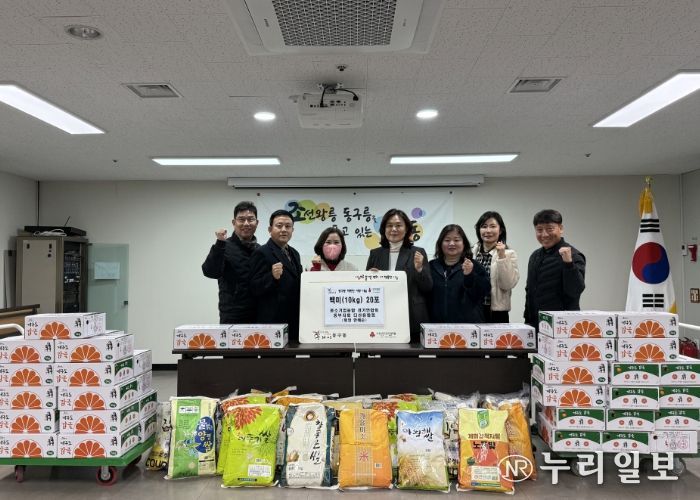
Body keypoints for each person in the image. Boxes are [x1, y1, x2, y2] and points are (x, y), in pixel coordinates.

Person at [366, 209, 432, 343]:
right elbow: (366, 290)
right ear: (384, 229)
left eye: (398, 225)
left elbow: (428, 288)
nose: (394, 229)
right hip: (383, 317)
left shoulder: (417, 253)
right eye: (389, 225)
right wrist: (369, 278)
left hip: (411, 317)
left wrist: (419, 269)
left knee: (411, 355)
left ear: (406, 229)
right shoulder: (375, 254)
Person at [524, 209, 586, 329]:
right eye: (539, 230)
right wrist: (528, 320)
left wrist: (569, 264)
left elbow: (575, 290)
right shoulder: (535, 256)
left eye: (550, 229)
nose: (544, 234)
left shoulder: (573, 255)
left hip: (562, 326)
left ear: (561, 229)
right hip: (535, 323)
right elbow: (529, 291)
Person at [201, 201, 260, 324]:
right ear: (234, 223)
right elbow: (210, 272)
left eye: (250, 219)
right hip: (233, 316)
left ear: (257, 223)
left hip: (259, 314)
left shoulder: (260, 250)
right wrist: (219, 243)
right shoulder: (224, 246)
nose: (246, 223)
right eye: (241, 219)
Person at [249, 210, 303, 342]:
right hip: (272, 321)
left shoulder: (295, 253)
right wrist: (272, 276)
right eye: (279, 226)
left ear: (292, 230)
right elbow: (253, 287)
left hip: (294, 319)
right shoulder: (261, 252)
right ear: (270, 229)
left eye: (288, 226)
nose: (284, 230)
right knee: (274, 356)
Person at [429, 224, 491, 323]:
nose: (451, 243)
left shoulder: (474, 266)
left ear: (464, 243)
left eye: (457, 240)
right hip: (437, 326)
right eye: (447, 240)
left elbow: (483, 293)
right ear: (440, 243)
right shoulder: (431, 266)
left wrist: (469, 275)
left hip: (467, 326)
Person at [472, 211, 519, 322]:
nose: (488, 231)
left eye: (493, 226)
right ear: (479, 230)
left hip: (497, 313)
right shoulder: (471, 253)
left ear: (500, 230)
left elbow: (507, 284)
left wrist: (502, 257)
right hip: (473, 309)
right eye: (484, 226)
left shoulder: (509, 254)